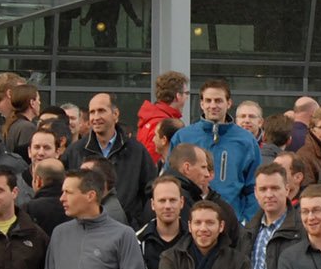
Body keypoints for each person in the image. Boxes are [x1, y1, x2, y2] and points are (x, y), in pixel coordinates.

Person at [173, 79, 261, 223]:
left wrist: (246, 221)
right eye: (208, 101)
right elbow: (171, 180)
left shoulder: (246, 141)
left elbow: (253, 187)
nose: (213, 105)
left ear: (229, 103)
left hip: (232, 223)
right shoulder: (183, 137)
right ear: (202, 104)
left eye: (218, 100)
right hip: (190, 223)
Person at [65, 93, 157, 227]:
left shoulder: (136, 150)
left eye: (101, 111)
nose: (96, 117)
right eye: (92, 112)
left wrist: (138, 222)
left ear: (115, 114)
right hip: (84, 227)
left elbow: (150, 190)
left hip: (127, 228)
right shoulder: (75, 151)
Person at [137, 70, 188, 156]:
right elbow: (153, 162)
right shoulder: (161, 124)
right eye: (186, 93)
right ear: (178, 96)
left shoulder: (152, 118)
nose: (187, 97)